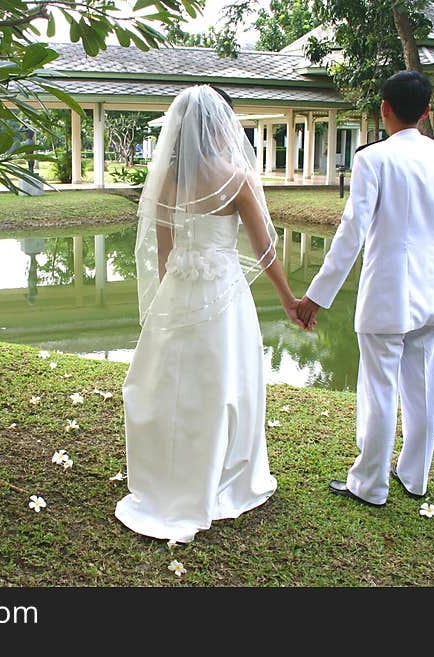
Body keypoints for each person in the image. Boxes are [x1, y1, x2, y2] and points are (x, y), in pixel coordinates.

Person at [115, 84, 304, 543]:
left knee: (169, 384)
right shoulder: (236, 178)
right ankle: (221, 474)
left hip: (179, 288)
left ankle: (169, 477)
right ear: (221, 125)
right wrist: (288, 300)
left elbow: (163, 254)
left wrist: (167, 305)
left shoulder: (164, 181)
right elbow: (264, 249)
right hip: (222, 294)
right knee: (223, 383)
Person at [297, 70, 434, 507]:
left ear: (384, 109)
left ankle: (370, 483)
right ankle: (415, 477)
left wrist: (316, 295)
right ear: (427, 111)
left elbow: (351, 232)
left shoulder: (372, 159)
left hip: (386, 294)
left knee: (379, 390)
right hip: (430, 295)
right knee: (423, 391)